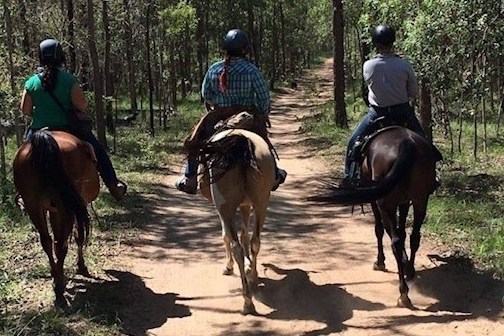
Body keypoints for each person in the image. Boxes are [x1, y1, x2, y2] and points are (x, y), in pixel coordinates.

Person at [175, 28, 287, 194]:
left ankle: (190, 176)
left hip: (219, 116)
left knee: (197, 141)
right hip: (246, 116)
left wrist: (218, 105)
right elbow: (263, 97)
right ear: (244, 49)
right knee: (263, 141)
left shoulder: (214, 69)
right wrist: (262, 113)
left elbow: (206, 94)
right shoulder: (251, 70)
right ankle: (274, 173)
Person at [20, 38, 127, 201]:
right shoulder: (69, 79)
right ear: (60, 57)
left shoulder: (31, 82)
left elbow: (25, 110)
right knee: (98, 150)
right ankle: (113, 185)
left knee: (23, 157)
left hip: (39, 130)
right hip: (69, 128)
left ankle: (23, 194)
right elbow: (82, 105)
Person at [342, 24, 442, 184]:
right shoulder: (404, 64)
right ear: (393, 43)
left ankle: (349, 177)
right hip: (403, 112)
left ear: (376, 44)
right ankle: (432, 177)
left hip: (376, 114)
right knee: (426, 145)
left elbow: (370, 87)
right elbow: (413, 92)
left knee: (353, 142)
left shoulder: (368, 65)